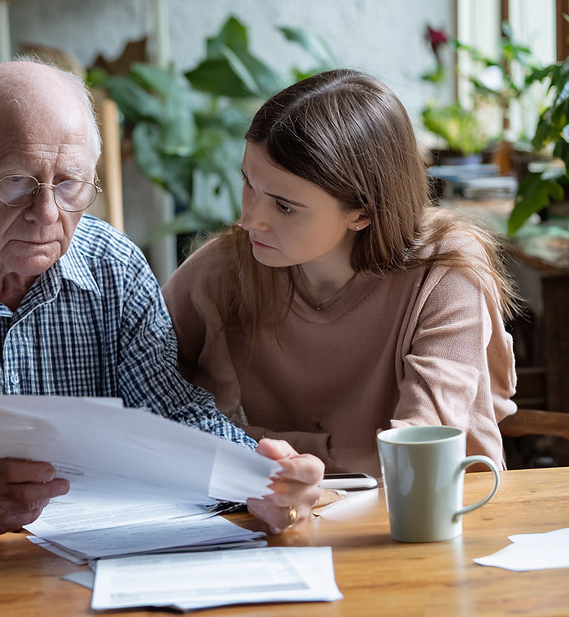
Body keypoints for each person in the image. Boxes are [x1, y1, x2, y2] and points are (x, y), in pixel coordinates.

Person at [0, 59, 323, 536]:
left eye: (70, 182)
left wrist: (261, 472)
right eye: (16, 182)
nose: (47, 212)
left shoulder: (114, 267)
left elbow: (173, 419)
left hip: (84, 567)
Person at [162, 69, 518, 479]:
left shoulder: (444, 269)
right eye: (249, 184)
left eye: (284, 206)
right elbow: (139, 382)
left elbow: (428, 438)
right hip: (273, 510)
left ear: (362, 212)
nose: (248, 219)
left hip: (423, 509)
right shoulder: (223, 269)